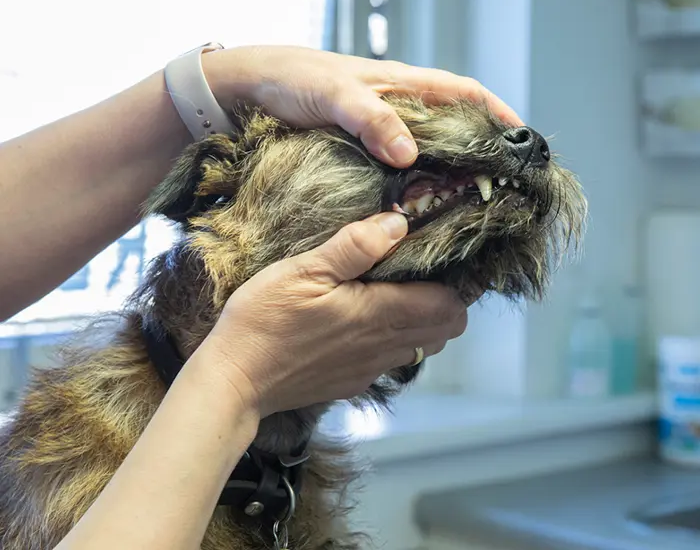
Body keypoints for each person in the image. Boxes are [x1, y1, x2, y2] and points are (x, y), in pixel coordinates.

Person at [0, 44, 522, 549]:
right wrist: (238, 381)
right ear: (214, 201)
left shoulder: (289, 468)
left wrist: (231, 78)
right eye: (369, 151)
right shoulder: (67, 475)